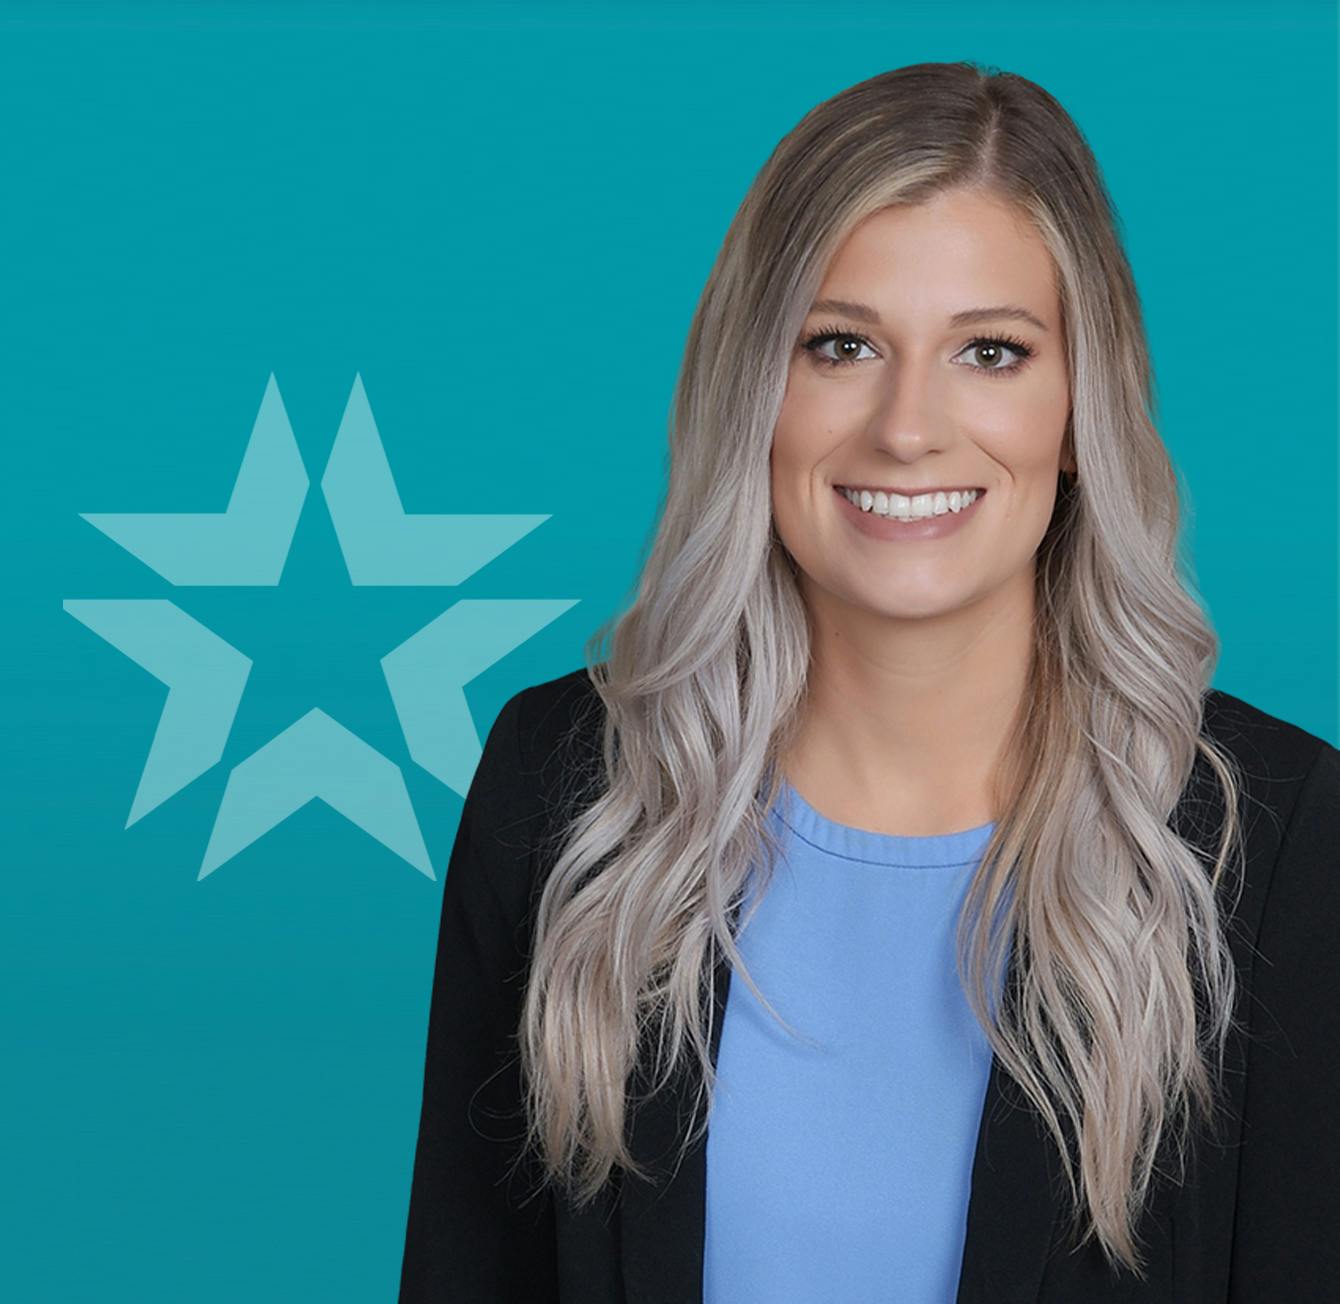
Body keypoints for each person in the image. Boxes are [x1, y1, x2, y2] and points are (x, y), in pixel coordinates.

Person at [398, 61, 1340, 1302]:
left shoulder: (1272, 837)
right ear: (754, 391)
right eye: (839, 344)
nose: (906, 426)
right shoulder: (563, 786)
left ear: (1078, 412)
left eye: (989, 352)